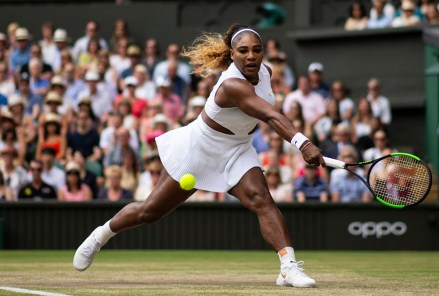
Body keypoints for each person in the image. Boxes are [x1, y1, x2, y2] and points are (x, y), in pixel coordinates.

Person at [73, 24, 324, 288]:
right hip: (199, 150)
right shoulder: (231, 85)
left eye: (256, 50)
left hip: (237, 149)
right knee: (149, 212)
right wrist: (303, 143)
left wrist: (302, 143)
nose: (251, 56)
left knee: (262, 199)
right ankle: (100, 236)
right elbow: (270, 115)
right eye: (243, 51)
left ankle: (288, 268)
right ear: (232, 54)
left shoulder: (266, 72)